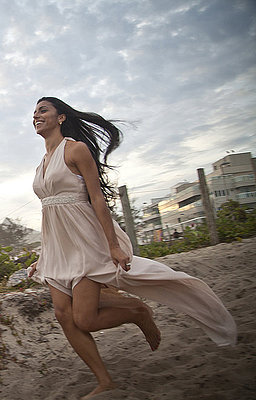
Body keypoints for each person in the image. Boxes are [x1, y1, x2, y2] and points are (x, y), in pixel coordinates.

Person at [27, 97, 237, 399]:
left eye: (43, 110)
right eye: (34, 112)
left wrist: (112, 245)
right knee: (63, 315)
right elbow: (50, 213)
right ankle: (105, 381)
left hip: (87, 243)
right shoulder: (41, 164)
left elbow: (97, 199)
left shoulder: (75, 150)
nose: (36, 115)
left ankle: (138, 311)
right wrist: (42, 256)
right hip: (59, 249)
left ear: (60, 118)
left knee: (84, 318)